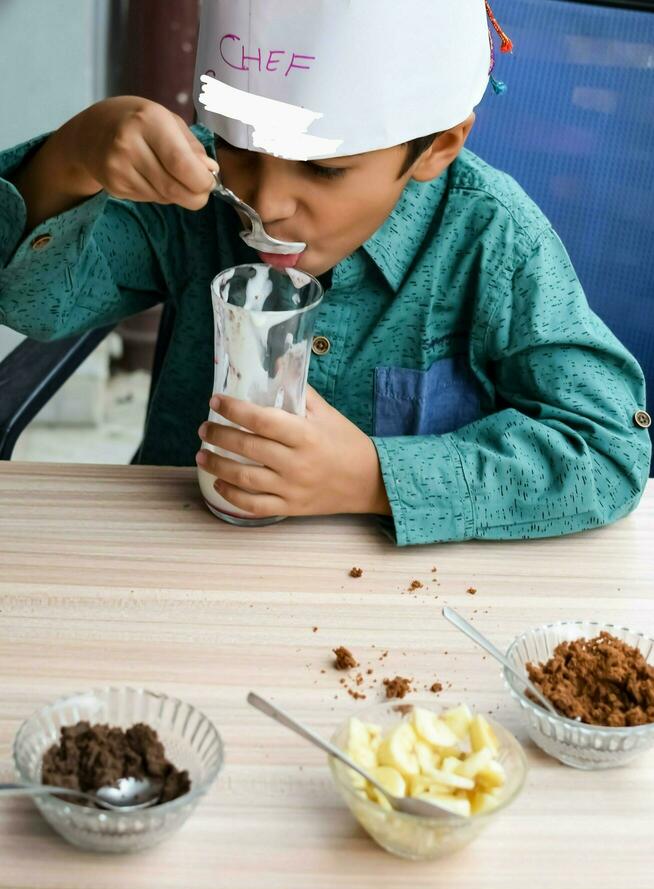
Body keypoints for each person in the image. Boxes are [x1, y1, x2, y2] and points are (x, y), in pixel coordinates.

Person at [0, 0, 650, 545]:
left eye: (324, 170)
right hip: (177, 549)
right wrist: (68, 162)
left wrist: (373, 476)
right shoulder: (192, 198)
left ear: (439, 145)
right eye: (239, 148)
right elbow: (33, 304)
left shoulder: (491, 238)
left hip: (396, 598)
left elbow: (609, 450)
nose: (266, 202)